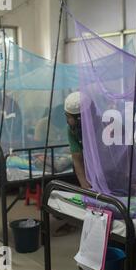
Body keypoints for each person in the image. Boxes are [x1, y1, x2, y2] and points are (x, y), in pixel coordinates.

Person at [51, 92, 91, 237]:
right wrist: (84, 184)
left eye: (68, 116)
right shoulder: (72, 129)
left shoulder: (100, 126)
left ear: (79, 118)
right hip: (88, 165)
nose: (67, 119)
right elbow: (76, 157)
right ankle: (79, 222)